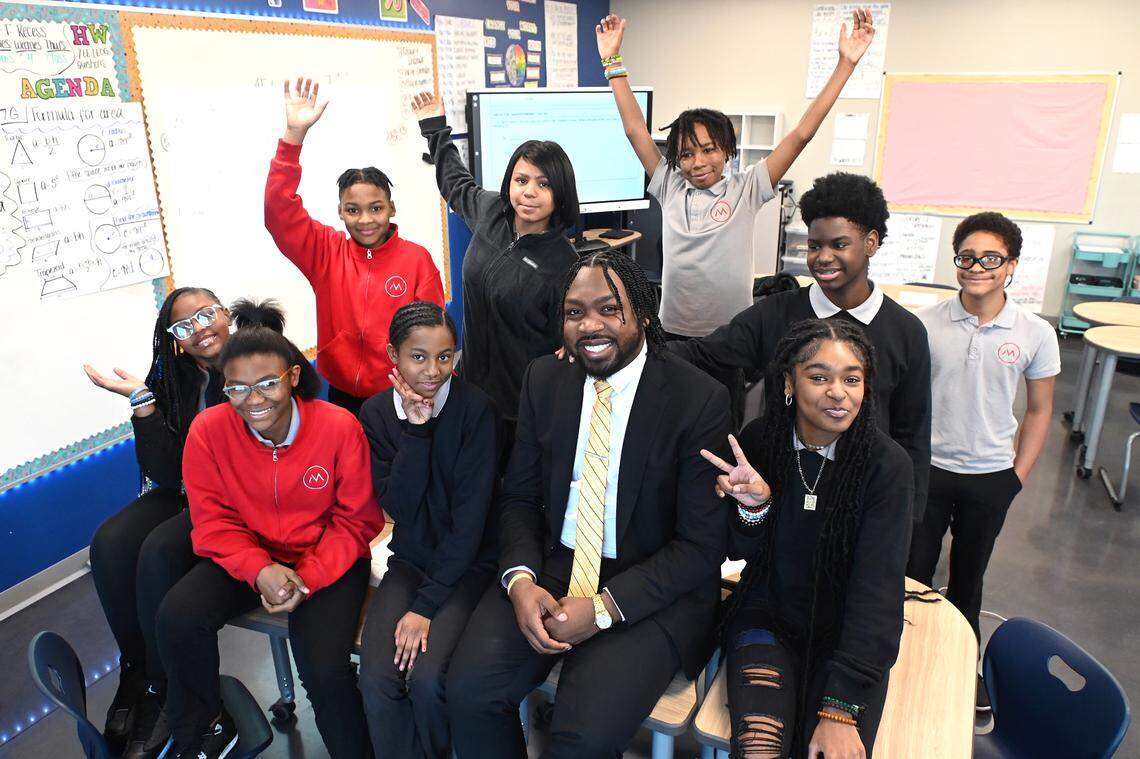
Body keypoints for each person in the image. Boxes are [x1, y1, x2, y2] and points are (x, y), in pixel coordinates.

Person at [445, 251, 730, 758]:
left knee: (581, 739)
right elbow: (521, 497)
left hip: (649, 585)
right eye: (575, 312)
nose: (590, 325)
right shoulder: (544, 378)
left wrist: (603, 609)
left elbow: (700, 546)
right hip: (554, 565)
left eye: (609, 309)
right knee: (468, 693)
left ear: (643, 315)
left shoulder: (698, 398)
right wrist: (519, 580)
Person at [158, 299, 382, 758]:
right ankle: (203, 734)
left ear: (293, 377)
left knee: (324, 670)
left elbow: (356, 520)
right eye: (237, 388)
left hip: (327, 560)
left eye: (266, 384)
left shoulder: (339, 427)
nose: (254, 400)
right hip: (251, 555)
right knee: (178, 615)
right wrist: (259, 569)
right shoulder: (208, 431)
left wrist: (308, 576)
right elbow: (213, 521)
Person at [595, 9, 876, 340]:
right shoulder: (670, 186)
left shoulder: (748, 188)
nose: (698, 162)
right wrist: (612, 60)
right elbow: (634, 130)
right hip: (673, 331)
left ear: (727, 149)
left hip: (732, 333)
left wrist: (846, 65)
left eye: (709, 149)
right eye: (686, 154)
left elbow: (802, 134)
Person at [670, 172, 932, 520]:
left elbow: (913, 433)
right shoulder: (774, 314)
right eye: (814, 246)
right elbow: (701, 354)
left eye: (839, 245)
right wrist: (629, 348)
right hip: (780, 488)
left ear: (870, 243)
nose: (823, 257)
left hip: (864, 496)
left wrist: (909, 517)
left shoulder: (906, 331)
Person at [706, 318, 912, 758]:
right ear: (789, 382)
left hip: (847, 637)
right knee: (760, 748)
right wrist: (755, 507)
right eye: (819, 377)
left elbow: (877, 593)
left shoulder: (886, 466)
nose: (838, 393)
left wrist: (839, 709)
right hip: (766, 620)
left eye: (852, 379)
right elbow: (735, 551)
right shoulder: (760, 441)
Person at [906, 212, 1059, 712]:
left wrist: (1016, 477)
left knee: (968, 580)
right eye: (967, 257)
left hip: (990, 476)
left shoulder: (1036, 332)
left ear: (1011, 265)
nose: (976, 267)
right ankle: (905, 658)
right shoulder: (924, 324)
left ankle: (959, 670)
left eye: (990, 258)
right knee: (910, 572)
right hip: (928, 471)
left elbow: (1040, 410)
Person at [83, 287, 230, 759]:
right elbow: (165, 472)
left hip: (236, 498)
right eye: (184, 326)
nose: (199, 330)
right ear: (174, 340)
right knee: (109, 542)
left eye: (206, 315)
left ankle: (165, 687)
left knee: (159, 550)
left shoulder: (259, 359)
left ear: (226, 313)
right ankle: (138, 671)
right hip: (185, 489)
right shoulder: (175, 377)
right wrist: (143, 402)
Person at [357, 301, 499, 758]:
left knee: (426, 678)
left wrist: (425, 606)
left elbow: (470, 523)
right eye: (418, 357)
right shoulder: (377, 414)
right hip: (411, 562)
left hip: (468, 567)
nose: (433, 370)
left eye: (444, 356)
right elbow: (398, 506)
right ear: (392, 355)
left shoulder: (476, 409)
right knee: (377, 678)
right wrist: (416, 431)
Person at [412, 90, 579, 463]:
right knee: (469, 476)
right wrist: (435, 130)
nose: (529, 192)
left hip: (521, 406)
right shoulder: (490, 211)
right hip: (470, 384)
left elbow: (572, 334)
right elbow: (455, 183)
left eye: (543, 184)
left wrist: (573, 345)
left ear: (560, 193)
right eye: (521, 180)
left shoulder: (565, 264)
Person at [266, 77, 445, 415]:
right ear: (340, 212)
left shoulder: (416, 259)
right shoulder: (325, 252)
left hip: (400, 393)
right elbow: (278, 212)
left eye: (376, 208)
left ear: (391, 209)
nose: (365, 220)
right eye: (353, 210)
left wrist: (422, 388)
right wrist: (293, 137)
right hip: (342, 393)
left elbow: (433, 334)